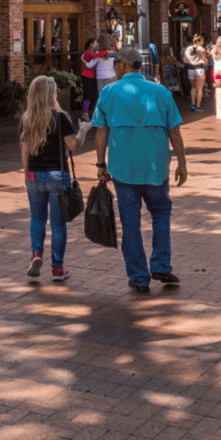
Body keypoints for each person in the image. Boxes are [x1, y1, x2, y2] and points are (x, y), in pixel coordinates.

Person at [92, 46, 187, 294]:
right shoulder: (160, 92)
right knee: (161, 213)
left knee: (131, 222)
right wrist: (182, 162)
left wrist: (100, 164)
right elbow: (174, 131)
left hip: (123, 168)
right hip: (156, 166)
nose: (113, 68)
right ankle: (161, 266)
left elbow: (101, 132)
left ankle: (139, 277)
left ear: (123, 65)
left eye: (115, 63)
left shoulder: (108, 93)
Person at [20, 75, 90, 283]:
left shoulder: (27, 119)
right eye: (56, 91)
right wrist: (84, 130)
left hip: (34, 174)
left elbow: (24, 150)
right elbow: (74, 146)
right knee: (58, 225)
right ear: (51, 95)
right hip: (57, 175)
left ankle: (36, 254)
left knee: (37, 219)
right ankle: (57, 269)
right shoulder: (60, 118)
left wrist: (27, 175)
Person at [182, 36, 208, 110]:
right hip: (199, 69)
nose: (203, 43)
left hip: (190, 69)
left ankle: (192, 105)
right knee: (200, 88)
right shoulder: (202, 49)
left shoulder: (187, 49)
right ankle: (198, 106)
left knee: (193, 87)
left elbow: (184, 60)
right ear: (199, 42)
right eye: (202, 41)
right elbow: (206, 61)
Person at [80, 37, 103, 114]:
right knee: (88, 95)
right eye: (95, 43)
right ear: (91, 44)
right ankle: (86, 112)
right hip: (87, 76)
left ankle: (88, 112)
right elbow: (96, 56)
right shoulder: (88, 52)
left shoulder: (92, 52)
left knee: (92, 95)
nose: (97, 44)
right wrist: (107, 52)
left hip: (91, 76)